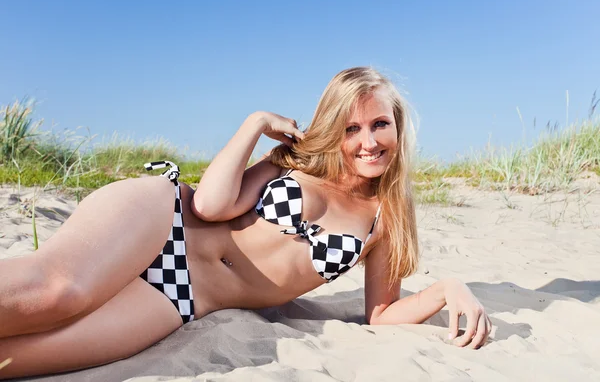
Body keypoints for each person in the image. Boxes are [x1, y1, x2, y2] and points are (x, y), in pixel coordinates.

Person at [0, 67, 491, 379]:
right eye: (352, 128)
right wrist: (254, 123)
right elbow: (212, 207)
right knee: (58, 294)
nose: (369, 141)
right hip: (162, 219)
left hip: (185, 297)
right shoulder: (294, 162)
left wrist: (446, 289)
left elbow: (381, 316)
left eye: (380, 124)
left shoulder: (385, 223)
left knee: (23, 358)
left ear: (398, 128)